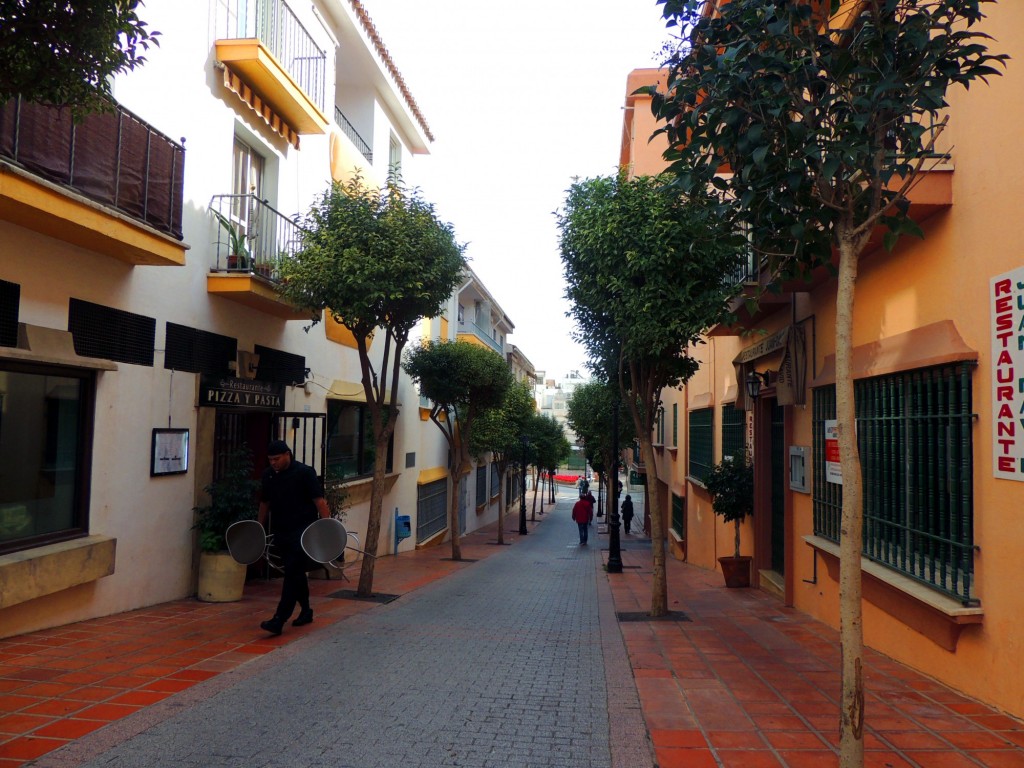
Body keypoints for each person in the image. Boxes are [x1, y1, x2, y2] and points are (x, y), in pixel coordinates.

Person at [258, 439, 329, 636]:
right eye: (270, 459)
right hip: (281, 531)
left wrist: (327, 529)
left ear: (287, 454)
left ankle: (279, 619)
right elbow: (264, 503)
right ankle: (306, 611)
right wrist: (258, 528)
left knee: (291, 573)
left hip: (303, 532)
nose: (273, 463)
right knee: (296, 573)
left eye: (277, 459)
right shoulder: (268, 475)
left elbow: (319, 501)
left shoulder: (305, 473)